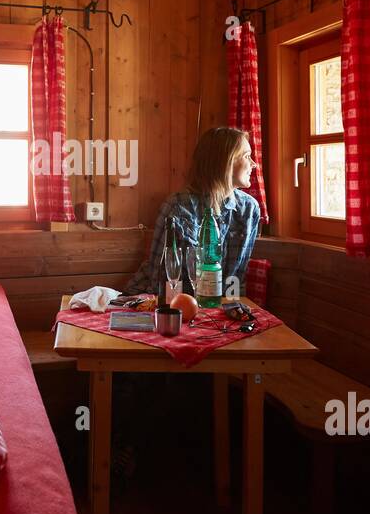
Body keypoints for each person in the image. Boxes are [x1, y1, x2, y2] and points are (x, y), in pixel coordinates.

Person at [112, 126, 262, 486]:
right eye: (246, 156)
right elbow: (170, 279)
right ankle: (120, 450)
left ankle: (196, 468)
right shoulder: (180, 205)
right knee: (148, 361)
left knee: (200, 370)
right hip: (154, 299)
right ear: (225, 162)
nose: (253, 164)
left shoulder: (248, 210)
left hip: (211, 307)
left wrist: (220, 308)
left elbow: (233, 275)